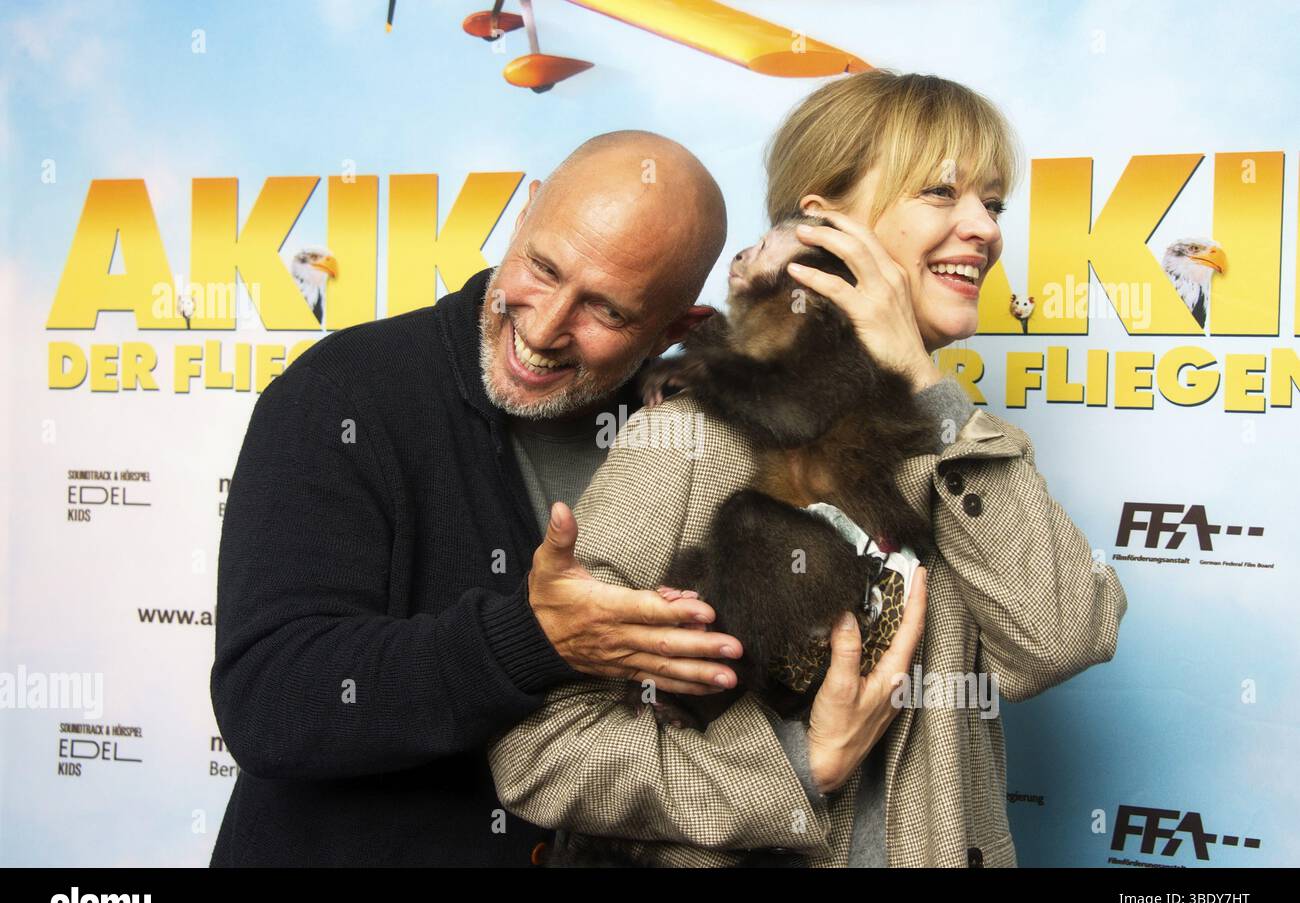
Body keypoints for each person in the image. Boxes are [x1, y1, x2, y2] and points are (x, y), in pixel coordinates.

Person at [488, 71, 1129, 867]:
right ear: (826, 224)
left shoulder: (963, 448)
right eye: (941, 192)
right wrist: (792, 766)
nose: (984, 229)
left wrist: (931, 396)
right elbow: (541, 752)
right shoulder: (687, 438)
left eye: (992, 205)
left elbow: (1060, 640)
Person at [209, 130, 893, 866]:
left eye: (606, 312)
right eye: (541, 267)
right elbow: (271, 698)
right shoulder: (344, 396)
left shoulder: (689, 433)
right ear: (525, 214)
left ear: (676, 328)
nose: (541, 327)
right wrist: (530, 639)